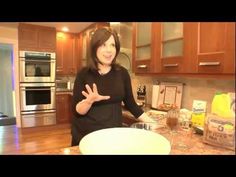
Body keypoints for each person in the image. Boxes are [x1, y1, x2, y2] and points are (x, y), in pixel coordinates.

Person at [71, 27, 155, 146]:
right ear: (95, 47)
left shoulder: (122, 73)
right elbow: (78, 111)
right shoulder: (84, 74)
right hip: (87, 137)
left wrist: (153, 123)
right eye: (103, 45)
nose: (109, 50)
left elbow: (131, 104)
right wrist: (88, 102)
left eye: (113, 45)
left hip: (113, 135)